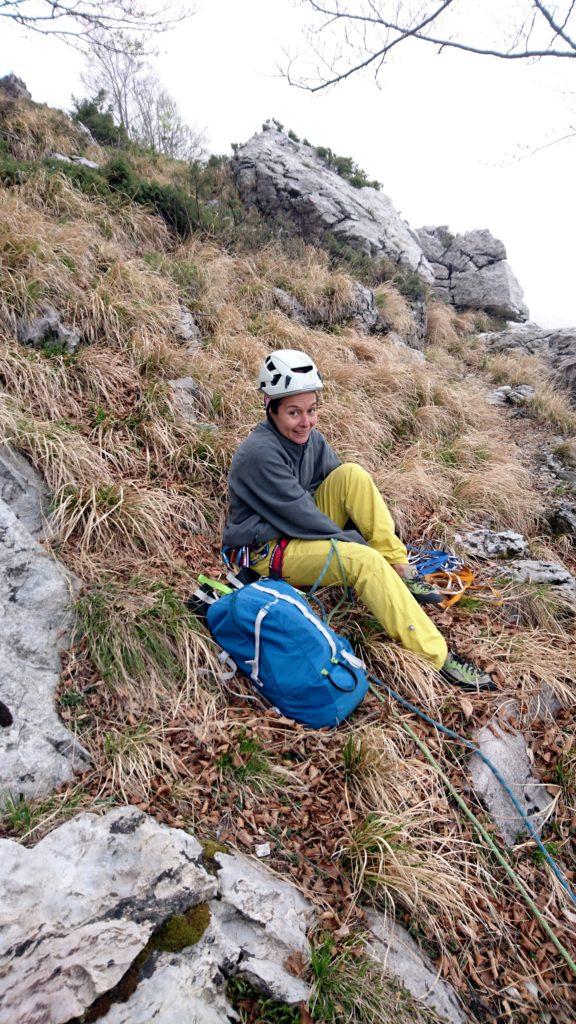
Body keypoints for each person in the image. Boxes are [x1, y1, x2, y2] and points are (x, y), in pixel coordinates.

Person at [222, 349, 495, 692]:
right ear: (269, 405)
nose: (305, 422)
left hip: (295, 529)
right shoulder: (259, 454)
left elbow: (338, 491)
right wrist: (359, 546)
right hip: (268, 551)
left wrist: (375, 548)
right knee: (363, 561)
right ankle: (437, 657)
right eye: (293, 412)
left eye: (311, 410)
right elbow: (302, 517)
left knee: (352, 475)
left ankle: (400, 568)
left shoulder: (310, 439)